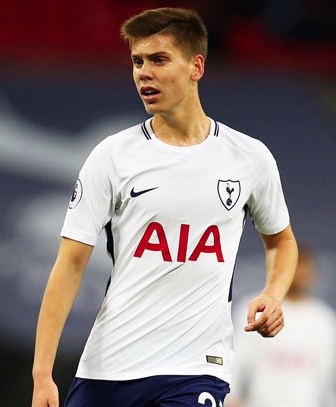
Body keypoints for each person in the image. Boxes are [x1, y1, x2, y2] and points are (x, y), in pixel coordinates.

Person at [31, 7, 298, 407]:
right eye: (137, 61)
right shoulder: (113, 155)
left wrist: (274, 293)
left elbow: (281, 241)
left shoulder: (249, 157)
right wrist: (42, 373)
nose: (143, 72)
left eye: (158, 60)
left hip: (197, 369)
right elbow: (69, 263)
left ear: (196, 66)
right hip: (110, 366)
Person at [226, 245, 336, 407]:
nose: (299, 274)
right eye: (294, 266)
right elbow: (235, 362)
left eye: (304, 268)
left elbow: (330, 379)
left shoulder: (325, 321)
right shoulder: (256, 310)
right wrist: (230, 397)